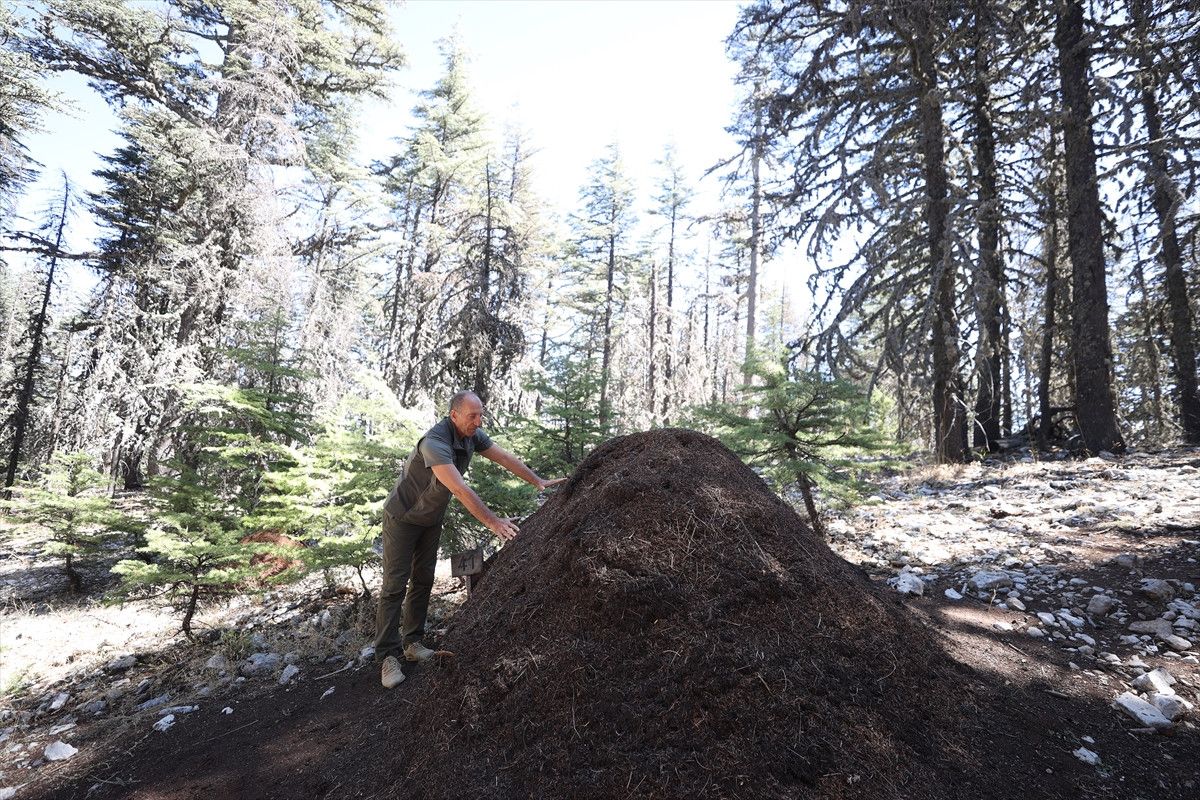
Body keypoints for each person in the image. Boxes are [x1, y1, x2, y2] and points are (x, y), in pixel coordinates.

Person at [375, 390, 564, 689]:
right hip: (403, 518)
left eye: (481, 414)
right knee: (395, 585)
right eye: (472, 416)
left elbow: (502, 456)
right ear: (454, 415)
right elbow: (461, 490)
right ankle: (387, 656)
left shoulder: (471, 434)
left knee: (423, 579)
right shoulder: (435, 442)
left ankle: (412, 644)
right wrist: (493, 522)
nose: (479, 421)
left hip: (430, 519)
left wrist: (536, 480)